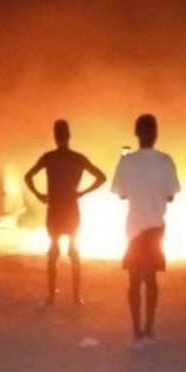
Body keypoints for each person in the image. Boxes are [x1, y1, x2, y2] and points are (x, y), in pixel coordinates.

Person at [111, 114, 180, 350]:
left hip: (134, 228)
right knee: (151, 280)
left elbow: (121, 195)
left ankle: (136, 331)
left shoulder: (126, 161)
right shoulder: (165, 161)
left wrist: (126, 166)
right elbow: (171, 196)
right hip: (156, 227)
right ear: (156, 134)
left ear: (136, 134)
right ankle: (149, 329)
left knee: (134, 280)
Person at [24, 119, 106, 306]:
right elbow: (101, 177)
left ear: (55, 137)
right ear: (69, 136)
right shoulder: (78, 158)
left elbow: (28, 176)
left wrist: (39, 195)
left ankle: (51, 296)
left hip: (54, 209)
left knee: (53, 251)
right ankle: (76, 297)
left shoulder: (49, 157)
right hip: (71, 208)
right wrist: (82, 192)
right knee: (74, 251)